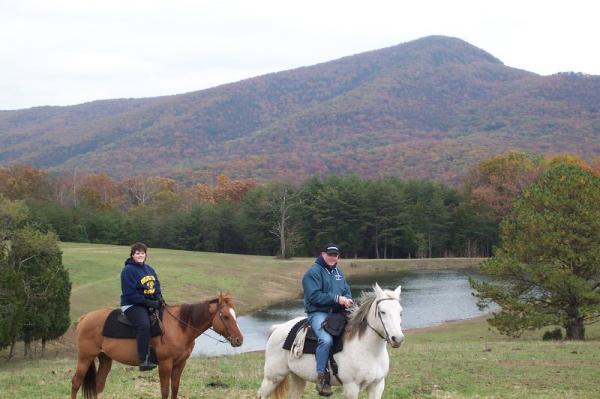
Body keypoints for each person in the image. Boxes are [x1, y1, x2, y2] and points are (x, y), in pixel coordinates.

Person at [302, 243, 353, 396]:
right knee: (326, 339)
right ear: (323, 254)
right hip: (318, 313)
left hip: (337, 313)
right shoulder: (313, 272)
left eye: (335, 255)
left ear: (338, 256)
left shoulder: (339, 272)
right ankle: (321, 377)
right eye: (330, 254)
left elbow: (346, 291)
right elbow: (314, 296)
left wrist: (348, 300)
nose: (332, 257)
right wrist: (337, 299)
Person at [120, 242, 163, 371]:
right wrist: (149, 303)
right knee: (144, 325)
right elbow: (130, 293)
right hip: (132, 305)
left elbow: (156, 286)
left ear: (146, 255)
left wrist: (159, 299)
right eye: (137, 253)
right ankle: (143, 359)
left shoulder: (149, 269)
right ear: (132, 255)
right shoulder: (128, 270)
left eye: (142, 253)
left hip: (148, 303)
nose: (140, 255)